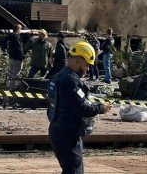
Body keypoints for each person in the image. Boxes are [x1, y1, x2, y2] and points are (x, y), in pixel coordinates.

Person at [47, 41, 112, 173]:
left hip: (58, 130)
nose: (88, 68)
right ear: (78, 61)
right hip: (67, 135)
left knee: (70, 170)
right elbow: (82, 107)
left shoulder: (57, 77)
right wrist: (100, 108)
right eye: (87, 64)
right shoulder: (71, 81)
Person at [6, 24, 24, 90]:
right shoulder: (16, 37)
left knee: (11, 73)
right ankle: (12, 88)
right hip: (17, 58)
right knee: (15, 74)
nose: (21, 30)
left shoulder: (9, 36)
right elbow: (19, 47)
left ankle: (9, 86)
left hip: (11, 58)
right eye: (20, 29)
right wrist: (22, 56)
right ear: (18, 29)